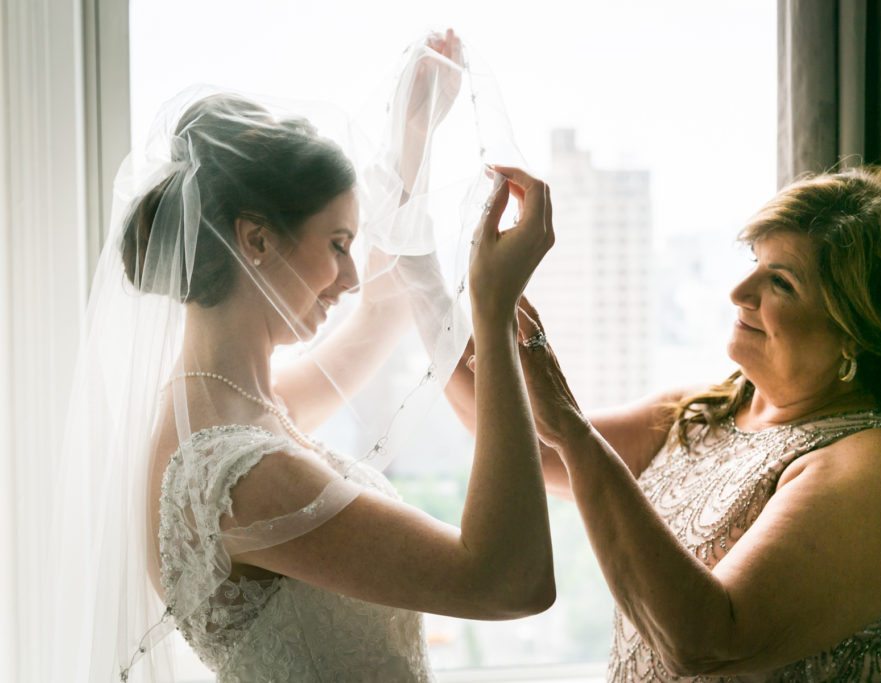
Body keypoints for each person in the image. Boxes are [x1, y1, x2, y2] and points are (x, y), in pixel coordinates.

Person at [49, 32, 556, 682]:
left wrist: (414, 142)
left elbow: (382, 313)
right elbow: (510, 580)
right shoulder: (241, 476)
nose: (350, 277)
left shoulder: (241, 408)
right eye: (339, 243)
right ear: (255, 239)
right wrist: (492, 309)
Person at [472, 165, 881, 680]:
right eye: (755, 262)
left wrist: (570, 425)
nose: (739, 291)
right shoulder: (704, 410)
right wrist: (466, 299)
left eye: (782, 283)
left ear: (856, 330)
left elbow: (706, 643)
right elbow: (534, 448)